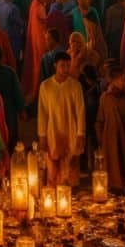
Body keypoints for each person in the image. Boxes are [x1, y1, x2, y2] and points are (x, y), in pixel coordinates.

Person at [37, 51, 86, 186]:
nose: (65, 69)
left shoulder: (75, 86)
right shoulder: (45, 86)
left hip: (71, 131)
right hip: (53, 131)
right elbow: (43, 112)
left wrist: (81, 133)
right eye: (62, 66)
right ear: (55, 66)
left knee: (71, 168)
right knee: (53, 170)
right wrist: (42, 136)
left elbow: (80, 111)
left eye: (68, 66)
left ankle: (72, 202)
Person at [95, 64, 125, 191]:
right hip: (110, 140)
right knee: (113, 170)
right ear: (113, 81)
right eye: (122, 80)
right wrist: (102, 139)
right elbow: (100, 120)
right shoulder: (105, 98)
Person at [23, 0, 49, 98]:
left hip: (33, 41)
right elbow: (44, 24)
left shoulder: (34, 3)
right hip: (40, 43)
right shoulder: (39, 7)